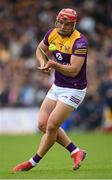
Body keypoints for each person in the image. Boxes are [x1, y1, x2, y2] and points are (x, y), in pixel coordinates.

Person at [12, 8, 88, 173]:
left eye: (66, 24)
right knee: (42, 124)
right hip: (58, 86)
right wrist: (43, 63)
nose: (61, 26)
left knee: (52, 125)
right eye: (59, 22)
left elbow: (74, 70)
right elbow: (40, 50)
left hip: (74, 89)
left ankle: (32, 162)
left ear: (73, 24)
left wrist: (54, 65)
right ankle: (76, 151)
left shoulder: (80, 42)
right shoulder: (52, 33)